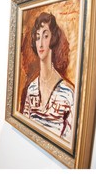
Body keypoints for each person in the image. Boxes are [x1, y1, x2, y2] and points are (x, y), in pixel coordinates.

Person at [21, 12, 74, 141]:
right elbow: (24, 128)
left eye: (45, 36)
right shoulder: (32, 88)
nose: (40, 43)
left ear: (53, 38)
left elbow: (69, 140)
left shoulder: (68, 93)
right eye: (38, 37)